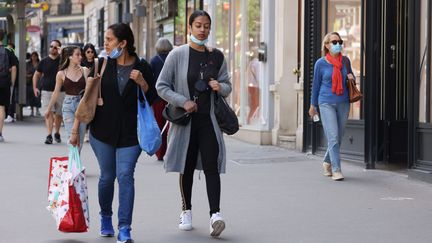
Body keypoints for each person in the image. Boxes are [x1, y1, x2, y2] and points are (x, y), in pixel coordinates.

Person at [70, 23, 157, 243]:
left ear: (123, 42)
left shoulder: (142, 66)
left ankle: (125, 227)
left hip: (131, 135)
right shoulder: (101, 64)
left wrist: (142, 83)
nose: (105, 44)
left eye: (109, 40)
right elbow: (86, 99)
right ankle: (105, 217)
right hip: (102, 133)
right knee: (107, 178)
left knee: (126, 176)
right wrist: (75, 131)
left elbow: (153, 97)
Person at [156, 10, 231, 238]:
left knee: (211, 164)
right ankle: (186, 210)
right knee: (186, 166)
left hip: (208, 121)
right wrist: (183, 101)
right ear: (190, 27)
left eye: (206, 26)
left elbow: (227, 86)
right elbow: (162, 86)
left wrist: (221, 87)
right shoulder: (177, 55)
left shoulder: (217, 56)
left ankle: (215, 215)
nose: (202, 30)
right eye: (198, 25)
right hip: (185, 122)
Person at [308, 32, 355, 181]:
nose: (338, 44)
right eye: (334, 42)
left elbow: (351, 78)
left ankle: (327, 161)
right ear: (327, 45)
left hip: (343, 102)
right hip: (326, 102)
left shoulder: (346, 61)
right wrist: (312, 105)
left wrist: (351, 77)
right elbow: (315, 86)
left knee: (339, 136)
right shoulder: (320, 63)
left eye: (339, 41)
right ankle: (336, 169)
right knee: (333, 136)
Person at [45, 46, 88, 151]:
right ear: (70, 57)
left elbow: (89, 91)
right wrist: (49, 109)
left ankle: (74, 164)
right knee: (71, 138)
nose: (80, 57)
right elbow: (56, 92)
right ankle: (74, 165)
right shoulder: (61, 73)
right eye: (77, 55)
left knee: (80, 139)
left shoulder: (85, 70)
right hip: (68, 106)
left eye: (80, 54)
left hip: (82, 106)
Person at [33, 39, 64, 144]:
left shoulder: (63, 60)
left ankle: (57, 132)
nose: (53, 48)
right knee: (48, 113)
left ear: (59, 48)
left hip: (61, 91)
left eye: (56, 47)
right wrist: (35, 88)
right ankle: (49, 135)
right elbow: (36, 75)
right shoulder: (44, 61)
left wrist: (62, 53)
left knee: (59, 114)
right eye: (51, 46)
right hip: (46, 91)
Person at [150, 37, 173, 161]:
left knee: (160, 126)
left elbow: (150, 80)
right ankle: (171, 150)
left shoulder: (154, 61)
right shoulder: (173, 59)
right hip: (172, 97)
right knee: (171, 125)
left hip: (158, 98)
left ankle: (160, 152)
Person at [0, 29, 17, 142]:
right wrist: (12, 82)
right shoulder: (9, 50)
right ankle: (0, 133)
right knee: (1, 108)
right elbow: (14, 68)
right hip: (4, 82)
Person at [81, 43, 98, 142]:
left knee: (95, 112)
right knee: (85, 111)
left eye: (92, 52)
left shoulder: (97, 62)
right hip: (84, 90)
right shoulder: (82, 63)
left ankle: (92, 132)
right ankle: (86, 132)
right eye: (88, 52)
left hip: (95, 90)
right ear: (85, 53)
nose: (90, 54)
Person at [4, 43, 18, 123]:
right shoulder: (12, 55)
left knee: (7, 100)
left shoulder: (8, 53)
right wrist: (12, 82)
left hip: (5, 80)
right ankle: (9, 115)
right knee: (10, 98)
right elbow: (15, 68)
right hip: (8, 81)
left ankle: (9, 115)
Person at [26, 51, 41, 117]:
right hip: (29, 82)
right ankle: (32, 111)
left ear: (37, 57)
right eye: (32, 56)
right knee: (31, 96)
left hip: (38, 82)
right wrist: (28, 75)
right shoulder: (28, 64)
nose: (33, 57)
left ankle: (37, 110)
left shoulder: (39, 63)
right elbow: (25, 72)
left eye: (35, 56)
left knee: (37, 96)